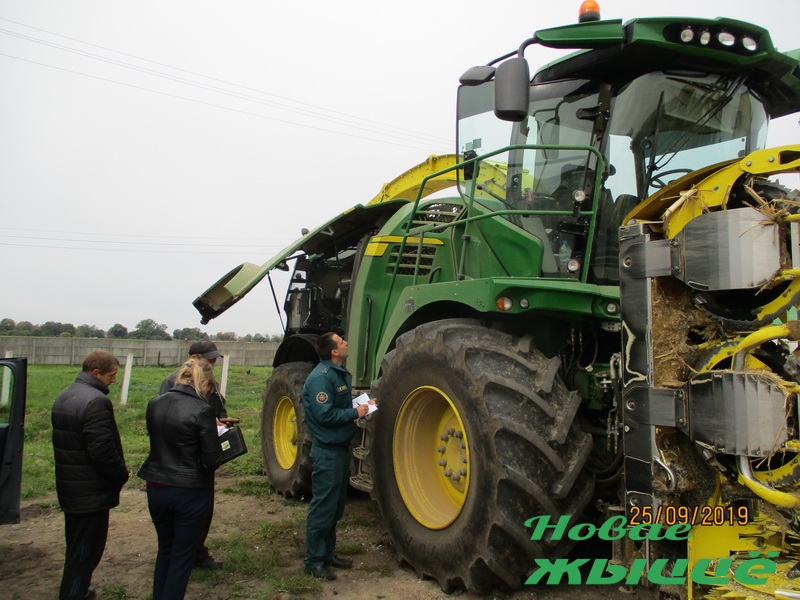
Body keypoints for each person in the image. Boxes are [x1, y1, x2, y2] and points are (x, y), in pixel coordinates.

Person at [139, 359, 223, 600]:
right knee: (182, 557)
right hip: (189, 490)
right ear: (204, 384)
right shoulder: (202, 410)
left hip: (156, 485)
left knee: (165, 549)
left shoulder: (154, 403)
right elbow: (211, 460)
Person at [52, 350, 129, 600]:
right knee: (85, 553)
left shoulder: (66, 395)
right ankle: (76, 594)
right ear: (95, 373)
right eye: (111, 375)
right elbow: (102, 451)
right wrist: (121, 475)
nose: (114, 380)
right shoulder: (96, 402)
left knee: (76, 547)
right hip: (90, 494)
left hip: (72, 489)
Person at [159, 339, 236, 570]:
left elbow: (217, 412)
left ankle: (197, 552)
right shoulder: (171, 382)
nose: (212, 363)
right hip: (182, 457)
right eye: (208, 359)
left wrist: (222, 422)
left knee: (203, 511)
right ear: (193, 358)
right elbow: (169, 420)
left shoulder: (211, 384)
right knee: (184, 512)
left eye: (214, 360)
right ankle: (181, 555)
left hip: (205, 457)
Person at [302, 332, 372, 581]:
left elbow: (338, 405)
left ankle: (327, 554)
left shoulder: (336, 373)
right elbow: (324, 415)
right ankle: (314, 561)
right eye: (341, 342)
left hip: (339, 450)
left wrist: (362, 405)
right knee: (323, 508)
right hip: (327, 452)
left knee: (335, 507)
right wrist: (355, 413)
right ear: (334, 351)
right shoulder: (321, 378)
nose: (346, 343)